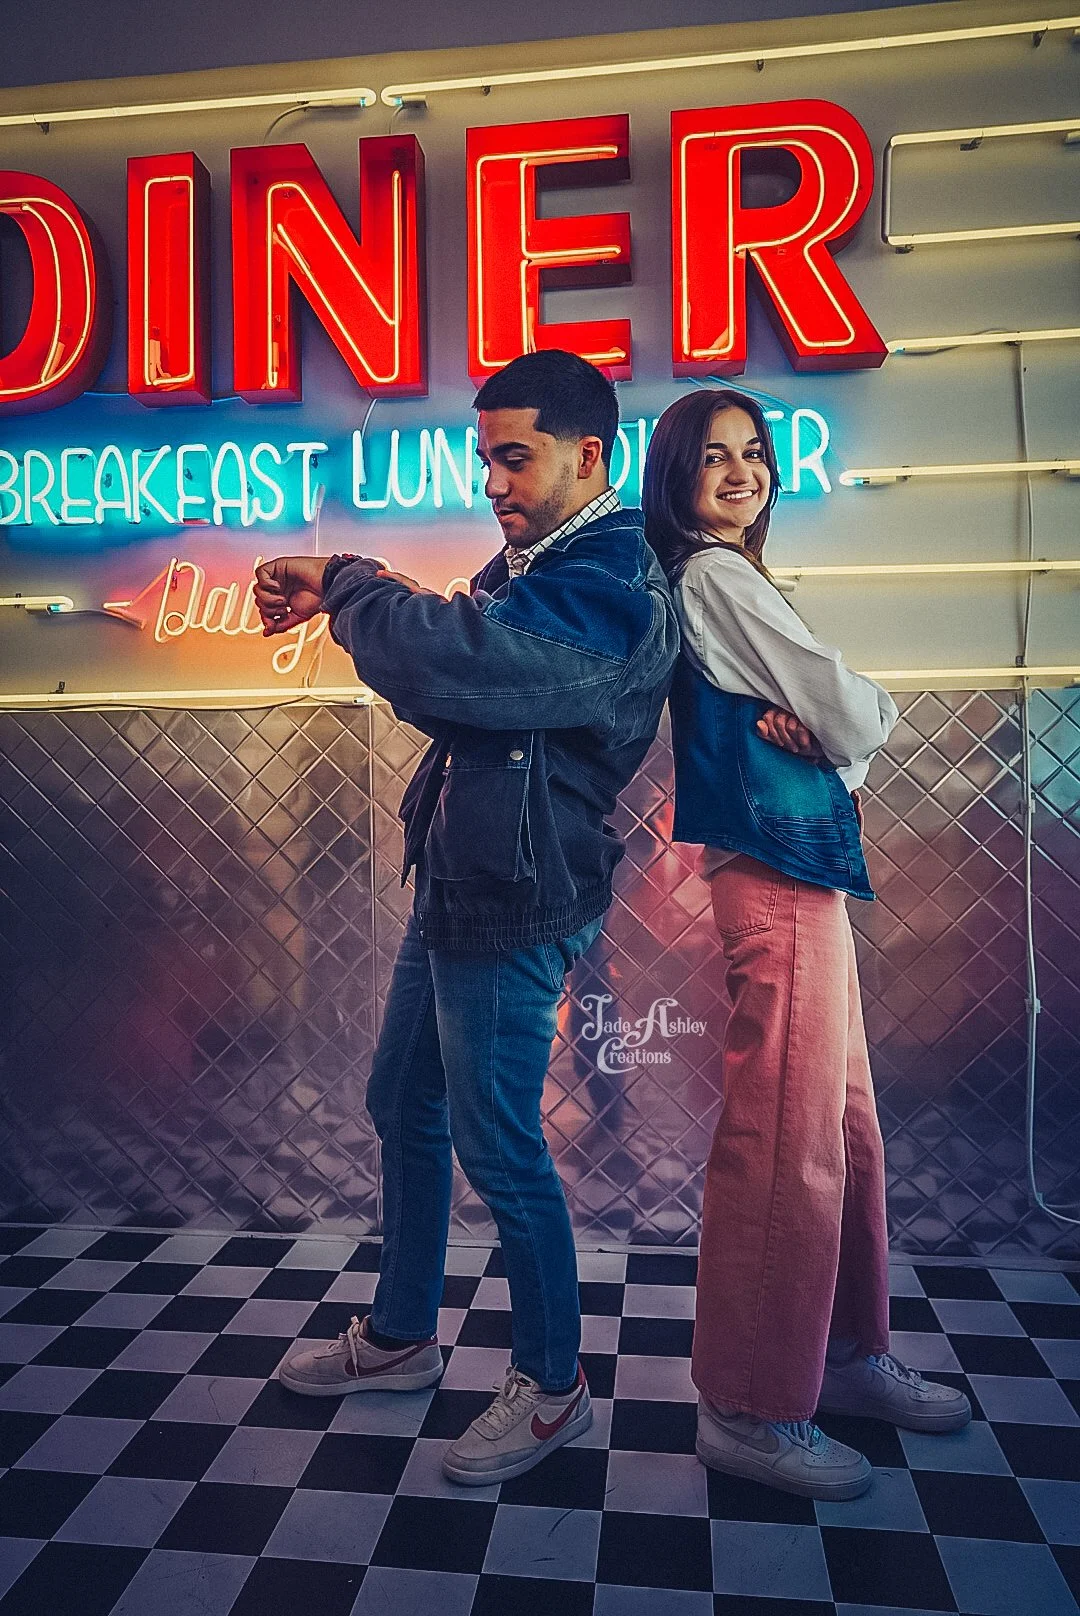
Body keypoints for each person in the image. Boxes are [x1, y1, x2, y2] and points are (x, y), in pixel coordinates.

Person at [255, 350, 678, 1485]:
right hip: (467, 875)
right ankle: (402, 1337)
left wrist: (348, 579)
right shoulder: (541, 560)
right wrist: (369, 605)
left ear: (590, 455)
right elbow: (445, 678)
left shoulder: (608, 575)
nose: (492, 481)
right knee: (405, 1099)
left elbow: (459, 666)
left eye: (514, 457)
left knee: (498, 1140)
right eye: (485, 457)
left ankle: (553, 1384)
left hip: (515, 894)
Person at [642, 388, 970, 1502]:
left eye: (755, 453)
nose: (742, 472)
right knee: (787, 1135)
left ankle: (840, 1354)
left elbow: (839, 734)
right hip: (777, 878)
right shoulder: (714, 576)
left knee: (840, 1124)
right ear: (676, 474)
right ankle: (747, 1403)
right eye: (714, 456)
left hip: (800, 875)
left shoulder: (735, 576)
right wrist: (844, 729)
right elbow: (860, 714)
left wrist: (835, 738)